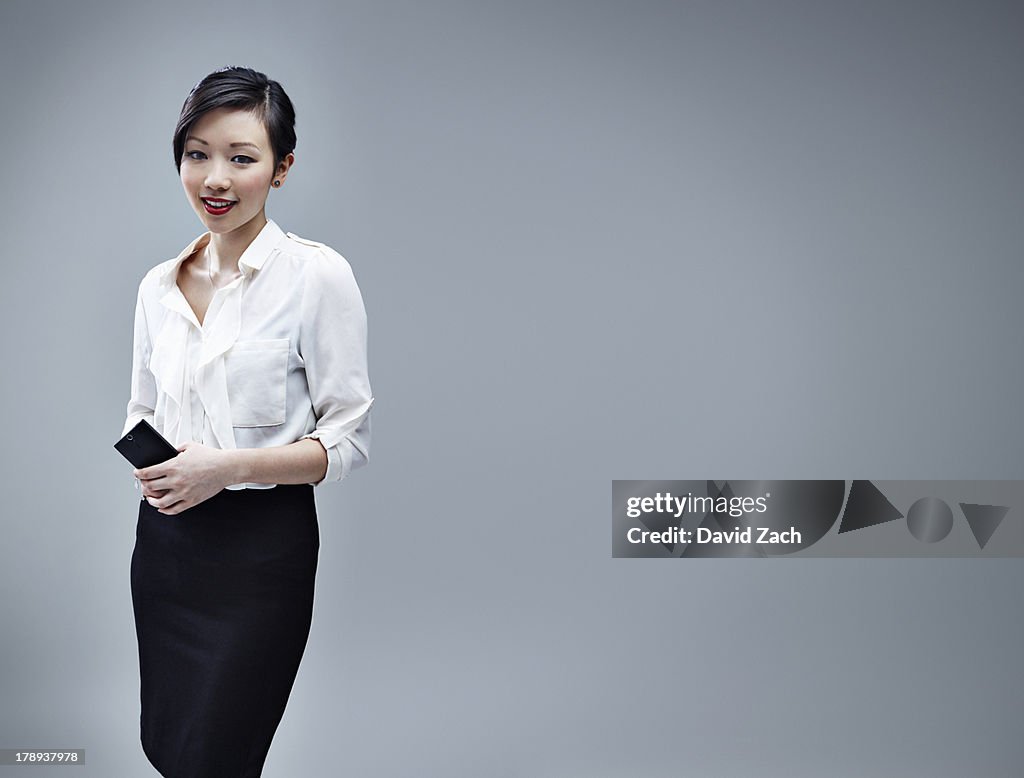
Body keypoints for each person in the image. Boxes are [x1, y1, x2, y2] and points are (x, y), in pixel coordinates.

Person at [121, 66, 373, 778]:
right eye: (197, 154)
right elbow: (142, 408)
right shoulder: (156, 286)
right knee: (170, 749)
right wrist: (158, 466)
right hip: (167, 549)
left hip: (262, 556)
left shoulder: (316, 277)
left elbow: (347, 439)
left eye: (242, 157)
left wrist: (226, 468)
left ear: (282, 168)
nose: (215, 178)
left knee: (218, 755)